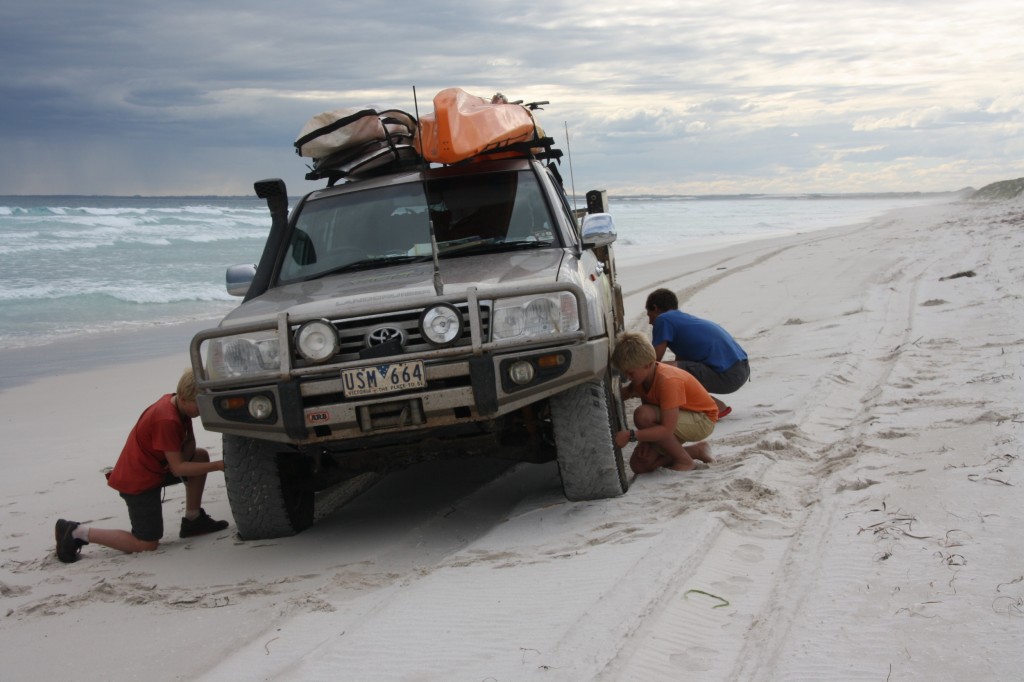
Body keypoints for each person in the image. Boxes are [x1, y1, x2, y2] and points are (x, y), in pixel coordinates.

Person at [55, 369, 229, 563]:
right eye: (198, 404)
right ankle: (77, 532)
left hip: (156, 469)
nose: (202, 408)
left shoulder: (178, 406)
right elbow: (178, 468)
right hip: (137, 481)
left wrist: (198, 458)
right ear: (182, 398)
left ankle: (193, 519)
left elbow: (189, 447)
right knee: (147, 544)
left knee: (200, 457)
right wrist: (219, 465)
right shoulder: (167, 419)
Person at [612, 331, 717, 474]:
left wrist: (632, 435)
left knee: (642, 415)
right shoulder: (640, 378)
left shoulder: (668, 380)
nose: (628, 377)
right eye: (625, 373)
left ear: (648, 364)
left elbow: (667, 428)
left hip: (702, 419)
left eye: (631, 373)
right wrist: (645, 441)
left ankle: (685, 461)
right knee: (639, 465)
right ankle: (695, 451)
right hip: (675, 418)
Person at [645, 288, 749, 418]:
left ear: (655, 308)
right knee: (673, 372)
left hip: (729, 375)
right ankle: (710, 405)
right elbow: (682, 363)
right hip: (741, 369)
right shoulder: (683, 320)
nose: (650, 322)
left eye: (649, 316)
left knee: (656, 371)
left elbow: (653, 361)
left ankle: (716, 407)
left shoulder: (663, 319)